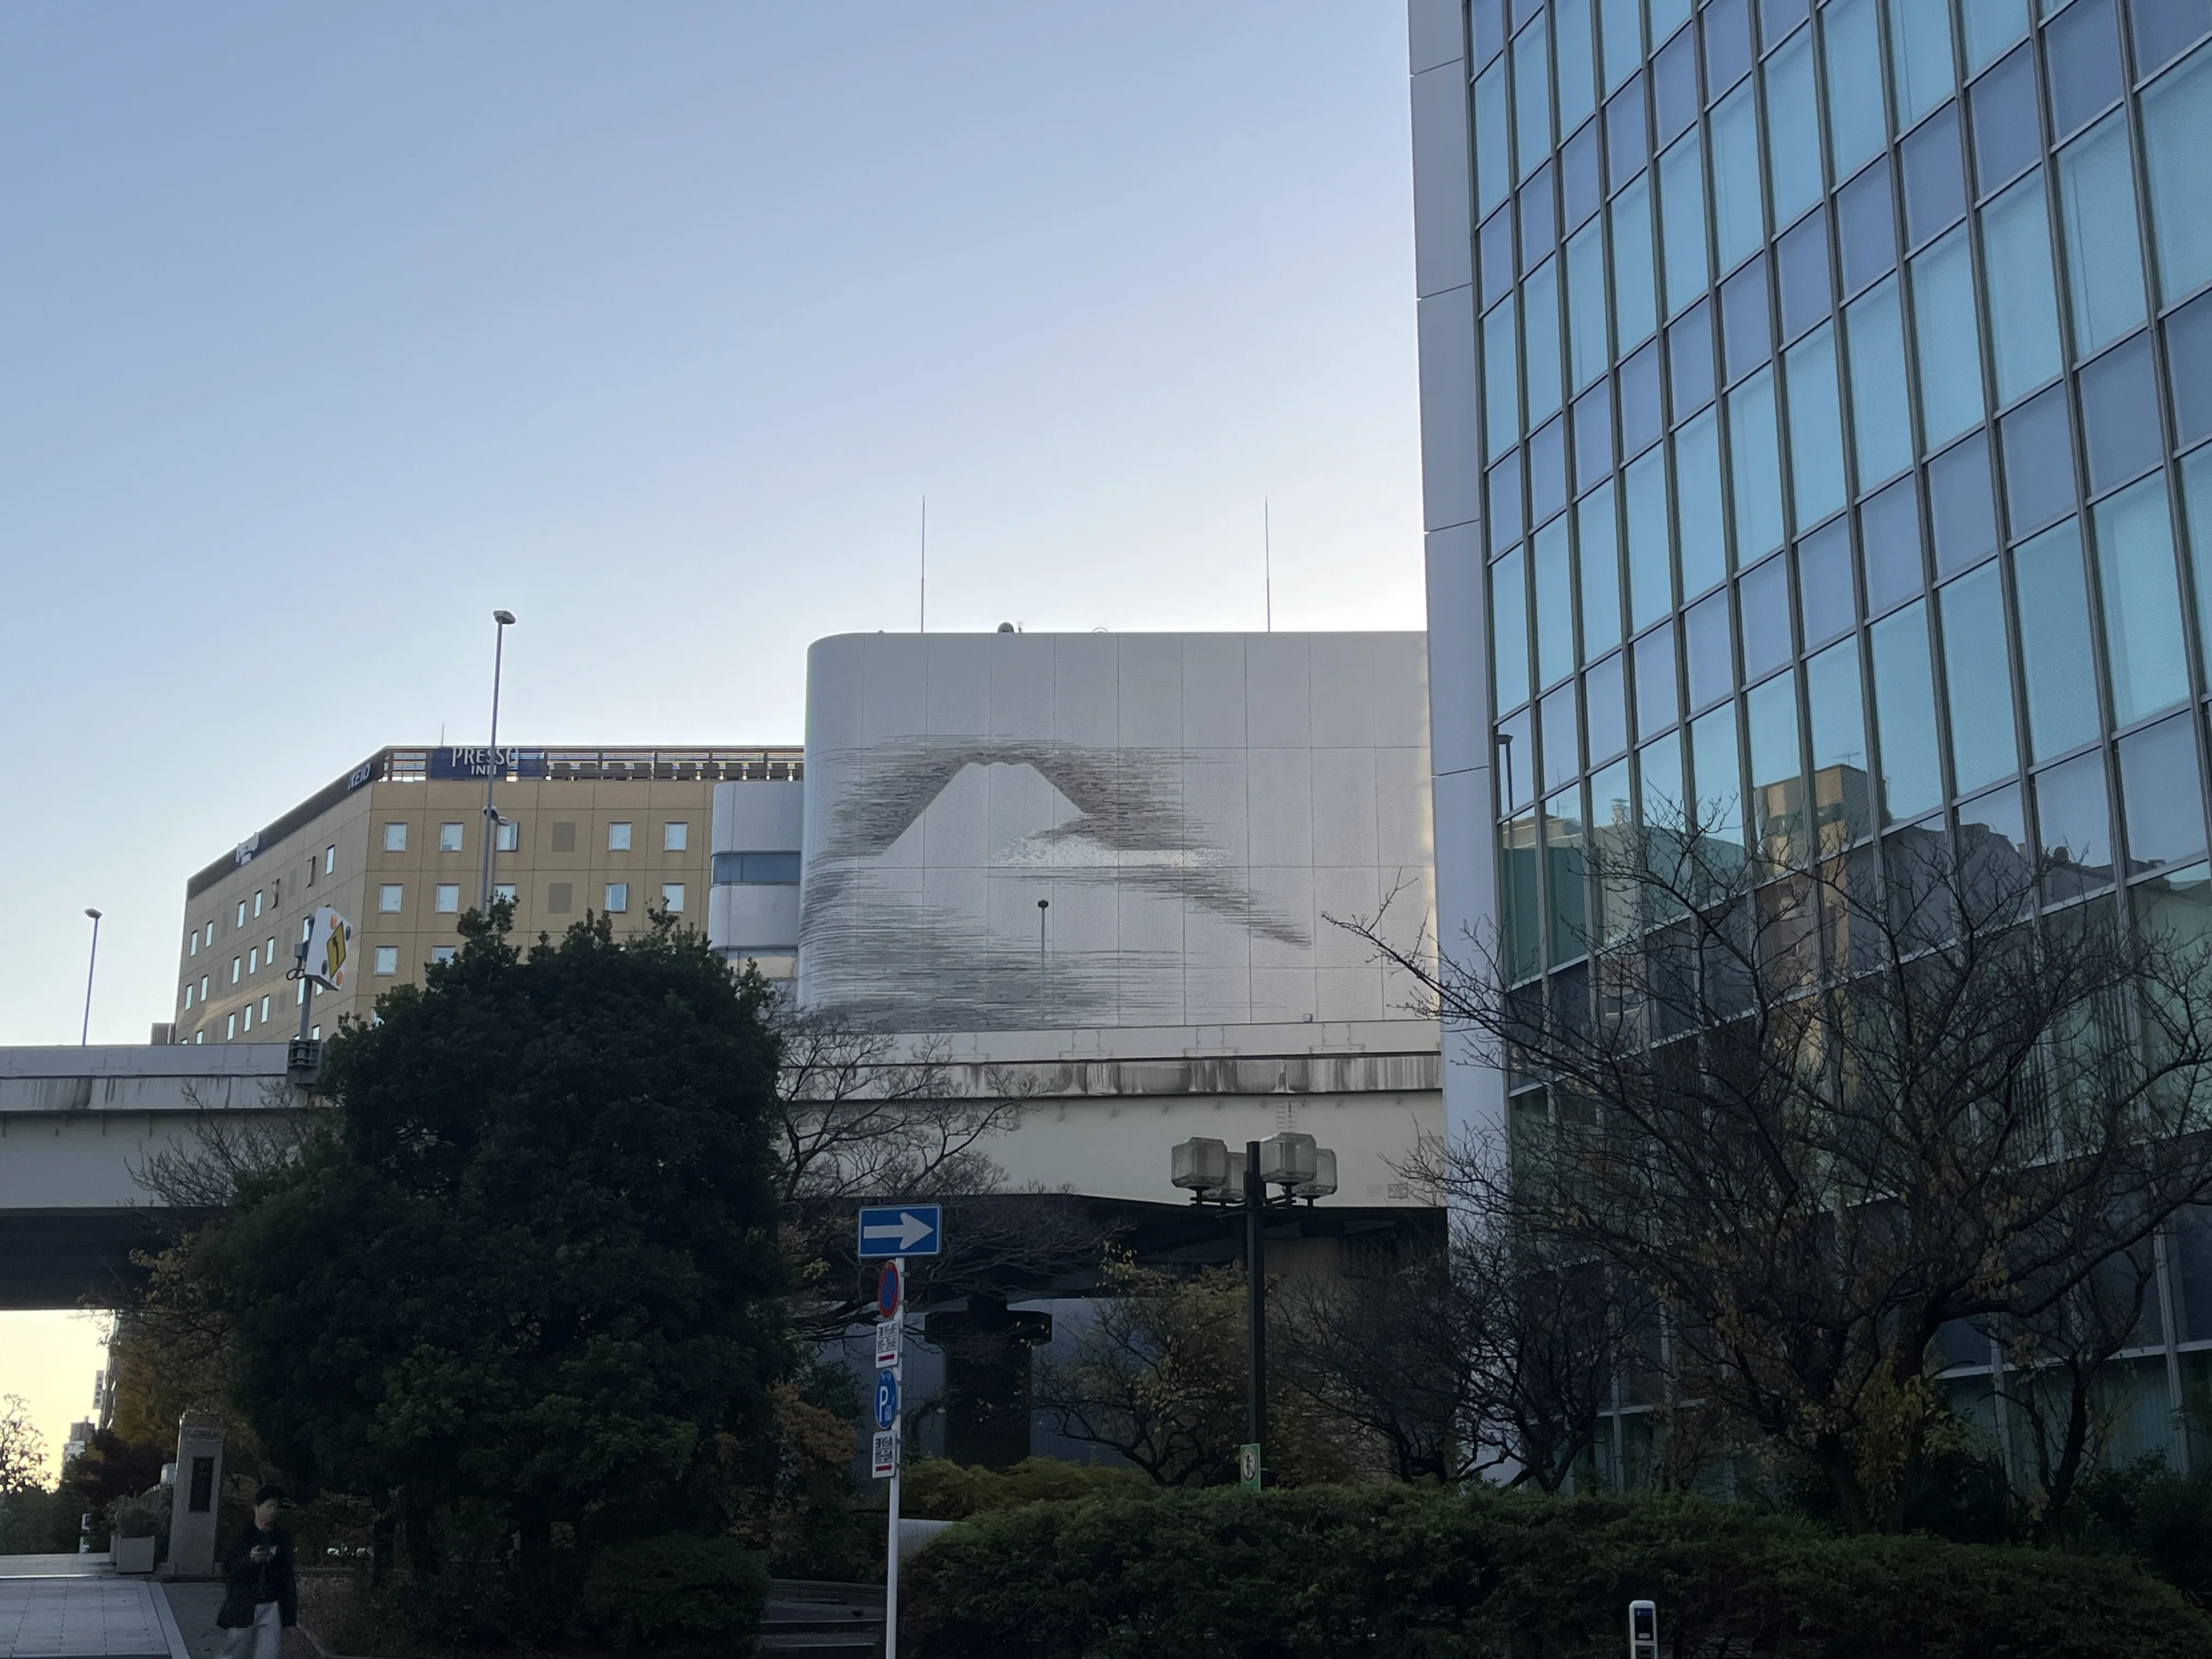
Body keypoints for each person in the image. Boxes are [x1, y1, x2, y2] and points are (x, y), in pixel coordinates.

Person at [215, 1486, 297, 1659]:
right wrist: (251, 1560)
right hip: (244, 1603)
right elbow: (229, 1568)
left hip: (272, 1604)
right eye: (269, 1506)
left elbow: (288, 1566)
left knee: (269, 1654)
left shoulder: (282, 1537)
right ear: (257, 1507)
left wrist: (275, 1555)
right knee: (235, 1652)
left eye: (276, 1507)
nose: (273, 1511)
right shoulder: (241, 1536)